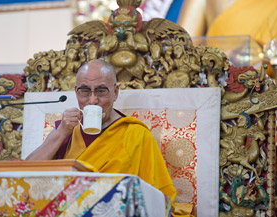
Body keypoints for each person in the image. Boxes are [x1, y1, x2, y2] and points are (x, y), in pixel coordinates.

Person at [26, 59, 177, 204]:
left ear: (115, 92)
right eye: (84, 92)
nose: (92, 100)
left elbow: (158, 197)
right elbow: (26, 174)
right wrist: (60, 133)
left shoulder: (136, 134)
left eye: (101, 91)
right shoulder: (67, 130)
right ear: (76, 92)